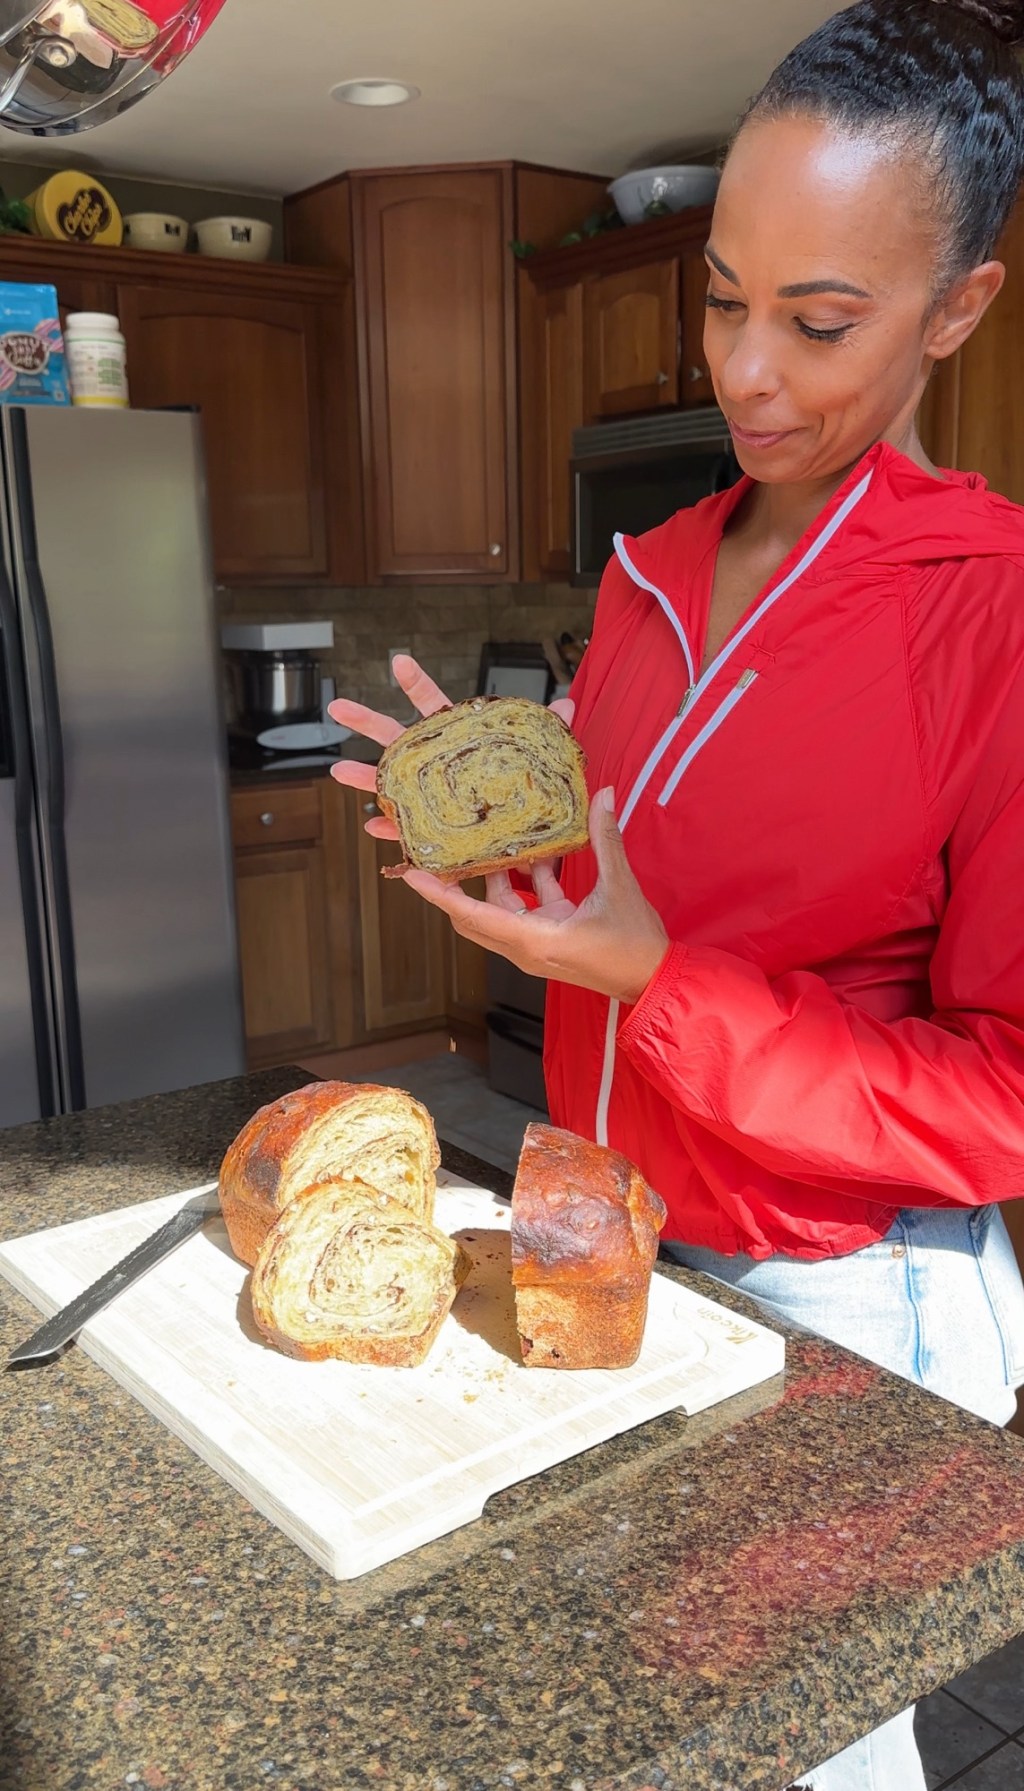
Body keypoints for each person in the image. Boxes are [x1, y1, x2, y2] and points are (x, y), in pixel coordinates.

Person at [331, 1, 1024, 1783]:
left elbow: (1006, 1100)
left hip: (836, 1293)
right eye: (724, 298)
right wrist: (506, 854)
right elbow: (625, 883)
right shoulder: (643, 588)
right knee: (650, 1728)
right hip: (609, 1237)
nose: (749, 374)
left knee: (802, 1755)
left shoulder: (995, 613)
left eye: (820, 321)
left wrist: (656, 971)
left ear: (960, 309)